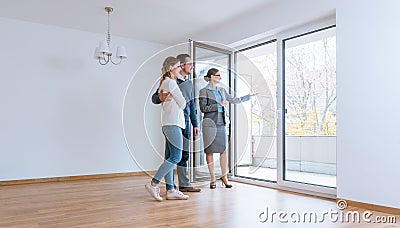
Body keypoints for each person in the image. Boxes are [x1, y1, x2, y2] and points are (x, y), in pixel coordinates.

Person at [151, 54, 201, 192]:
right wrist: (160, 97)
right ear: (181, 66)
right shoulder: (170, 81)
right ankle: (168, 187)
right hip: (173, 122)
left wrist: (195, 124)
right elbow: (155, 98)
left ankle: (182, 185)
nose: (192, 66)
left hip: (184, 123)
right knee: (173, 156)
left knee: (183, 155)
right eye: (189, 64)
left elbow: (191, 105)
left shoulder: (189, 83)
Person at [199, 68, 254, 189]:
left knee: (223, 150)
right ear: (212, 77)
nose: (220, 77)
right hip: (209, 125)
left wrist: (248, 96)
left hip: (221, 123)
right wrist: (217, 105)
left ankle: (224, 177)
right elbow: (203, 108)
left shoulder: (222, 90)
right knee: (209, 151)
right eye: (218, 75)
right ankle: (212, 178)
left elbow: (234, 100)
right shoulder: (203, 91)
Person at [145, 56, 189, 201]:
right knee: (176, 156)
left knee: (169, 157)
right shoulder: (170, 82)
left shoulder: (165, 82)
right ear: (171, 68)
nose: (180, 69)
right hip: (173, 124)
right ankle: (153, 183)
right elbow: (183, 103)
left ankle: (170, 190)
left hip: (168, 124)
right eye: (178, 67)